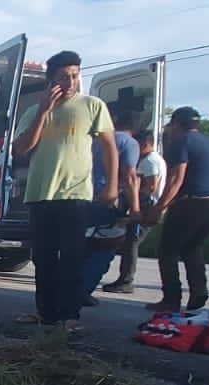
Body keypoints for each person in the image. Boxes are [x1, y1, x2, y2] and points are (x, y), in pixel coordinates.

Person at [11, 50, 117, 332]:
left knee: (71, 257)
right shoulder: (35, 111)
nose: (71, 82)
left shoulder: (93, 106)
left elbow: (109, 147)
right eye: (64, 77)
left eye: (75, 76)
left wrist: (113, 187)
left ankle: (70, 316)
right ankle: (45, 314)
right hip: (40, 193)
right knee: (43, 258)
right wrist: (44, 111)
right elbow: (21, 149)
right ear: (51, 80)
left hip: (76, 195)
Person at [142, 107, 209, 313]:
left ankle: (171, 299)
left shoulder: (182, 142)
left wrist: (158, 208)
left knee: (167, 249)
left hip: (196, 202)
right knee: (192, 246)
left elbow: (175, 179)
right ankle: (198, 293)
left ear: (176, 125)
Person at [82, 111, 141, 306]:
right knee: (103, 249)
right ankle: (81, 292)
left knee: (83, 248)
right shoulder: (129, 143)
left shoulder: (94, 140)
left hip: (84, 196)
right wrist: (135, 208)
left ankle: (70, 289)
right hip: (107, 201)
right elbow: (130, 177)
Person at [104, 129, 166, 293]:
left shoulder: (150, 161)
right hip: (145, 206)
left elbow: (151, 185)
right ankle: (124, 278)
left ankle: (126, 280)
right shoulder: (152, 159)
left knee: (132, 243)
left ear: (145, 144)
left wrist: (134, 201)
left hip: (146, 207)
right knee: (129, 242)